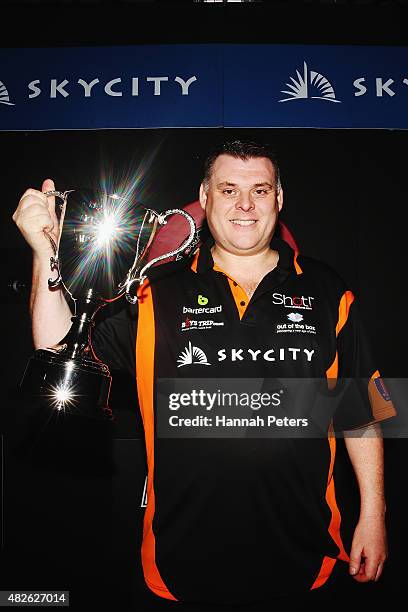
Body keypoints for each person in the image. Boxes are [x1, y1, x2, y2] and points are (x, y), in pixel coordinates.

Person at [12, 140, 397, 607]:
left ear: (279, 198)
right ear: (205, 196)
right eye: (229, 189)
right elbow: (56, 347)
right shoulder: (155, 287)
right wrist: (42, 253)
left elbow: (362, 411)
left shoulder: (327, 288)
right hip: (179, 562)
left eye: (260, 190)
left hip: (304, 559)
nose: (245, 205)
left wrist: (374, 516)